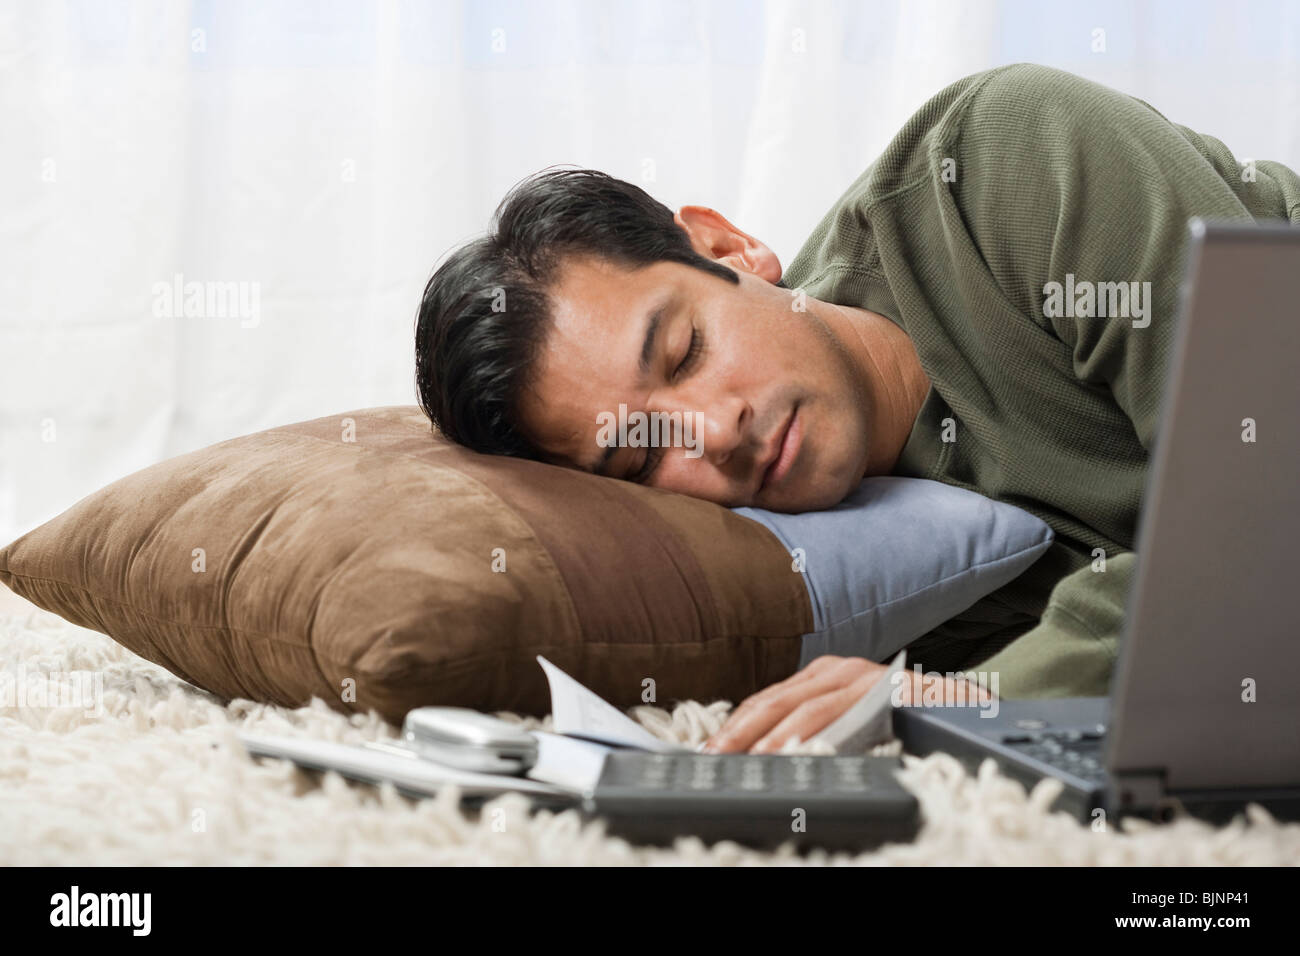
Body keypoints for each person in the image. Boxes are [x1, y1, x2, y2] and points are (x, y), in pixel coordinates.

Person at [414, 62, 1300, 753]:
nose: (717, 432)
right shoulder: (851, 593)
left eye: (685, 350)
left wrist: (987, 702)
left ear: (730, 247)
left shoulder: (1003, 164)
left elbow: (1275, 505)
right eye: (645, 453)